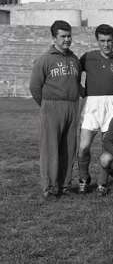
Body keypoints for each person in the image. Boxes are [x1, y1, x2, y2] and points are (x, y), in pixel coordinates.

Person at [29, 20, 81, 198]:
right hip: (51, 106)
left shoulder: (74, 59)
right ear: (54, 38)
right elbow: (35, 87)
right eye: (63, 36)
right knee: (50, 148)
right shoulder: (45, 59)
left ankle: (64, 185)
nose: (67, 40)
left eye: (69, 36)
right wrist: (45, 105)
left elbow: (76, 83)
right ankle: (50, 187)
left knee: (69, 147)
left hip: (72, 106)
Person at [78, 24, 113, 194]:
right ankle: (83, 178)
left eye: (109, 41)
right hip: (92, 104)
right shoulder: (88, 57)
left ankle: (102, 183)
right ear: (97, 40)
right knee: (83, 147)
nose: (106, 44)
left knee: (107, 147)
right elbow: (75, 75)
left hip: (112, 104)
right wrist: (83, 92)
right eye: (102, 40)